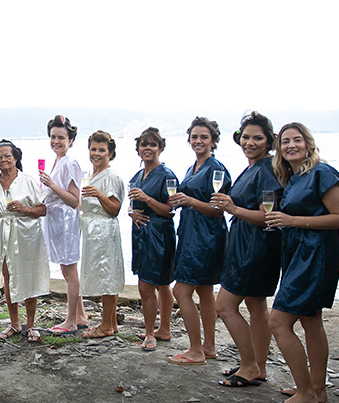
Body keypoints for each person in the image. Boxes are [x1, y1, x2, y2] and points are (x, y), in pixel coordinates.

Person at [265, 122, 339, 403]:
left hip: (315, 255)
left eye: (297, 140)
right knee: (311, 320)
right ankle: (317, 388)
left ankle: (305, 395)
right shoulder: (293, 178)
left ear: (308, 144)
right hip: (297, 253)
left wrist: (292, 221)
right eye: (285, 141)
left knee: (278, 322)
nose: (291, 145)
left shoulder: (322, 173)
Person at [211, 112, 282, 387]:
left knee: (224, 306)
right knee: (255, 305)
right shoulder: (253, 167)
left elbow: (268, 216)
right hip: (245, 242)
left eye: (257, 138)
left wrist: (233, 208)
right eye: (246, 137)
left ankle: (250, 365)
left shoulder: (266, 170)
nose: (250, 143)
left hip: (255, 246)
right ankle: (257, 366)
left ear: (269, 141)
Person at [168, 117, 231, 366]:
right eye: (194, 136)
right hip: (191, 232)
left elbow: (219, 209)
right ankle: (209, 346)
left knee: (181, 291)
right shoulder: (193, 167)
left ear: (213, 141)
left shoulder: (216, 169)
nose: (198, 141)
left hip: (206, 237)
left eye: (204, 137)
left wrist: (190, 201)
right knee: (204, 290)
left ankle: (195, 349)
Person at [0, 140, 50, 343]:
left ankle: (31, 324)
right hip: (2, 236)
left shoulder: (28, 181)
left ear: (16, 157)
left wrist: (24, 209)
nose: (3, 159)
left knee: (29, 277)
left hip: (27, 235)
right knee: (8, 277)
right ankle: (14, 323)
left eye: (7, 155)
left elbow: (43, 210)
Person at [126, 127, 177, 352]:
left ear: (160, 148)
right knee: (158, 284)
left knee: (152, 285)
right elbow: (131, 204)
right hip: (141, 234)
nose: (148, 148)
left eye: (152, 144)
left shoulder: (167, 176)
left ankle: (151, 333)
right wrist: (131, 213)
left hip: (159, 235)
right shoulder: (137, 176)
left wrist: (147, 199)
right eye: (143, 144)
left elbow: (170, 210)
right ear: (138, 149)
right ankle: (163, 329)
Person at [38, 115, 87, 335]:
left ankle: (71, 321)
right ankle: (81, 316)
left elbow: (74, 200)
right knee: (67, 270)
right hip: (56, 220)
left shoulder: (70, 162)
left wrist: (51, 185)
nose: (56, 141)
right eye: (53, 137)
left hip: (67, 222)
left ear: (70, 140)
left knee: (69, 272)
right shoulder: (57, 160)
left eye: (61, 138)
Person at [79, 131, 125, 338]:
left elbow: (114, 209)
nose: (96, 153)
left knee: (107, 276)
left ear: (110, 153)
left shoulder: (111, 176)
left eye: (101, 150)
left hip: (104, 231)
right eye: (93, 149)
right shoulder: (92, 175)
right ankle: (111, 322)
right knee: (104, 275)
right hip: (93, 231)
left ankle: (105, 325)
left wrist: (98, 194)